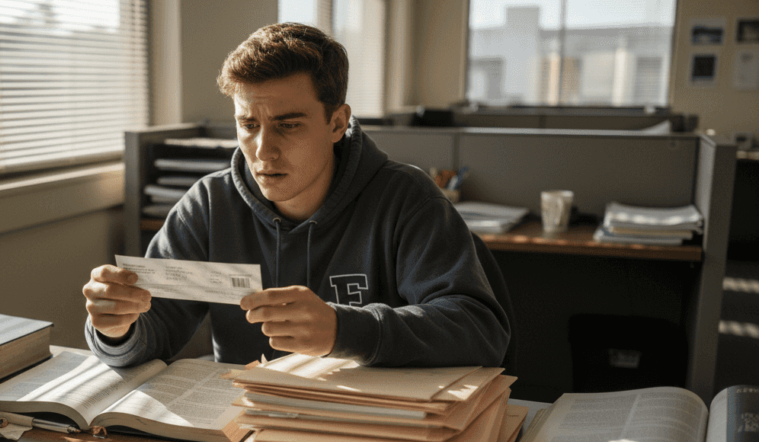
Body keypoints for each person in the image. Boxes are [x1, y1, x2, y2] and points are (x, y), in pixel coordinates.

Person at [83, 22, 509, 368]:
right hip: (246, 433)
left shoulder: (406, 198)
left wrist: (345, 330)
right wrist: (116, 328)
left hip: (372, 431)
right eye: (248, 125)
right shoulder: (209, 206)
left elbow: (479, 329)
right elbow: (154, 332)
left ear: (337, 123)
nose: (263, 151)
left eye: (288, 125)